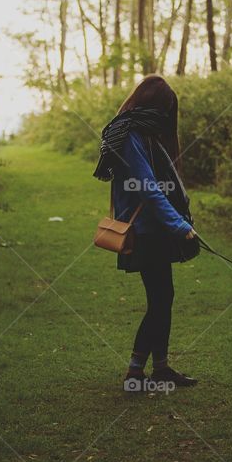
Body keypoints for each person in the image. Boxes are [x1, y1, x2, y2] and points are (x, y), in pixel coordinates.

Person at [93, 75, 200, 391]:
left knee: (163, 298)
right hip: (145, 231)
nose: (167, 117)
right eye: (167, 108)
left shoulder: (140, 131)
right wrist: (181, 227)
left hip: (155, 228)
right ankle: (135, 374)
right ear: (157, 105)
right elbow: (148, 189)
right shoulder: (130, 135)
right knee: (160, 300)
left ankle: (160, 368)